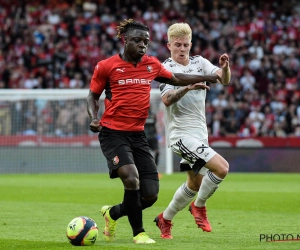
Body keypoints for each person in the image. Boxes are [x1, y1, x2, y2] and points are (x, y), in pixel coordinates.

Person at [86, 19, 221, 244]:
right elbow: (92, 95)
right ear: (125, 40)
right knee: (131, 178)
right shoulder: (106, 66)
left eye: (146, 41)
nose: (142, 45)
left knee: (149, 196)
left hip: (138, 135)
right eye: (137, 40)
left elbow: (176, 78)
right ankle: (139, 233)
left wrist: (207, 77)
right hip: (113, 133)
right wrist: (93, 117)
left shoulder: (152, 64)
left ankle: (112, 214)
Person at [154, 22, 231, 239]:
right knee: (222, 168)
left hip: (199, 134)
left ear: (191, 44)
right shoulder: (165, 68)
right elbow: (167, 99)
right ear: (169, 45)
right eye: (177, 44)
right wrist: (187, 87)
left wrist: (225, 68)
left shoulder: (200, 63)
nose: (182, 49)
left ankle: (165, 219)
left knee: (195, 183)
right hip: (180, 135)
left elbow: (223, 80)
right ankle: (199, 206)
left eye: (185, 45)